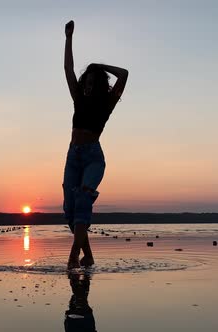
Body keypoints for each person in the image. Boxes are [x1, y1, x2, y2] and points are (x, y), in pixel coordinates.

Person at [63, 20, 128, 269]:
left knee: (82, 204)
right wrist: (68, 37)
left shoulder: (107, 103)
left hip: (92, 158)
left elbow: (124, 74)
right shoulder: (78, 98)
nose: (88, 87)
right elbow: (68, 69)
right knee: (70, 211)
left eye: (93, 83)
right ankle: (88, 255)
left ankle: (72, 259)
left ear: (100, 85)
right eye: (86, 83)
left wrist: (99, 65)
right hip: (73, 156)